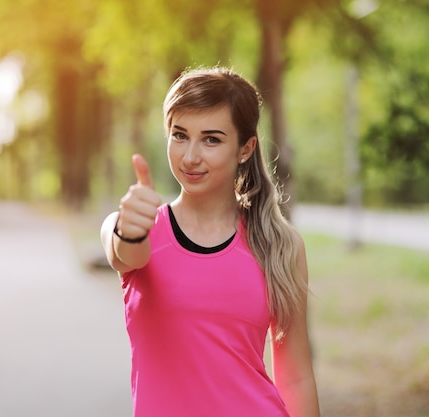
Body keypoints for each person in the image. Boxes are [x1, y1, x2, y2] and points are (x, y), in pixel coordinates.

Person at [100, 66, 320, 417]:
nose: (190, 157)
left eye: (212, 139)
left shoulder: (281, 245)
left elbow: (295, 378)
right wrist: (131, 227)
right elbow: (127, 253)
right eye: (180, 135)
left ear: (245, 149)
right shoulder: (131, 226)